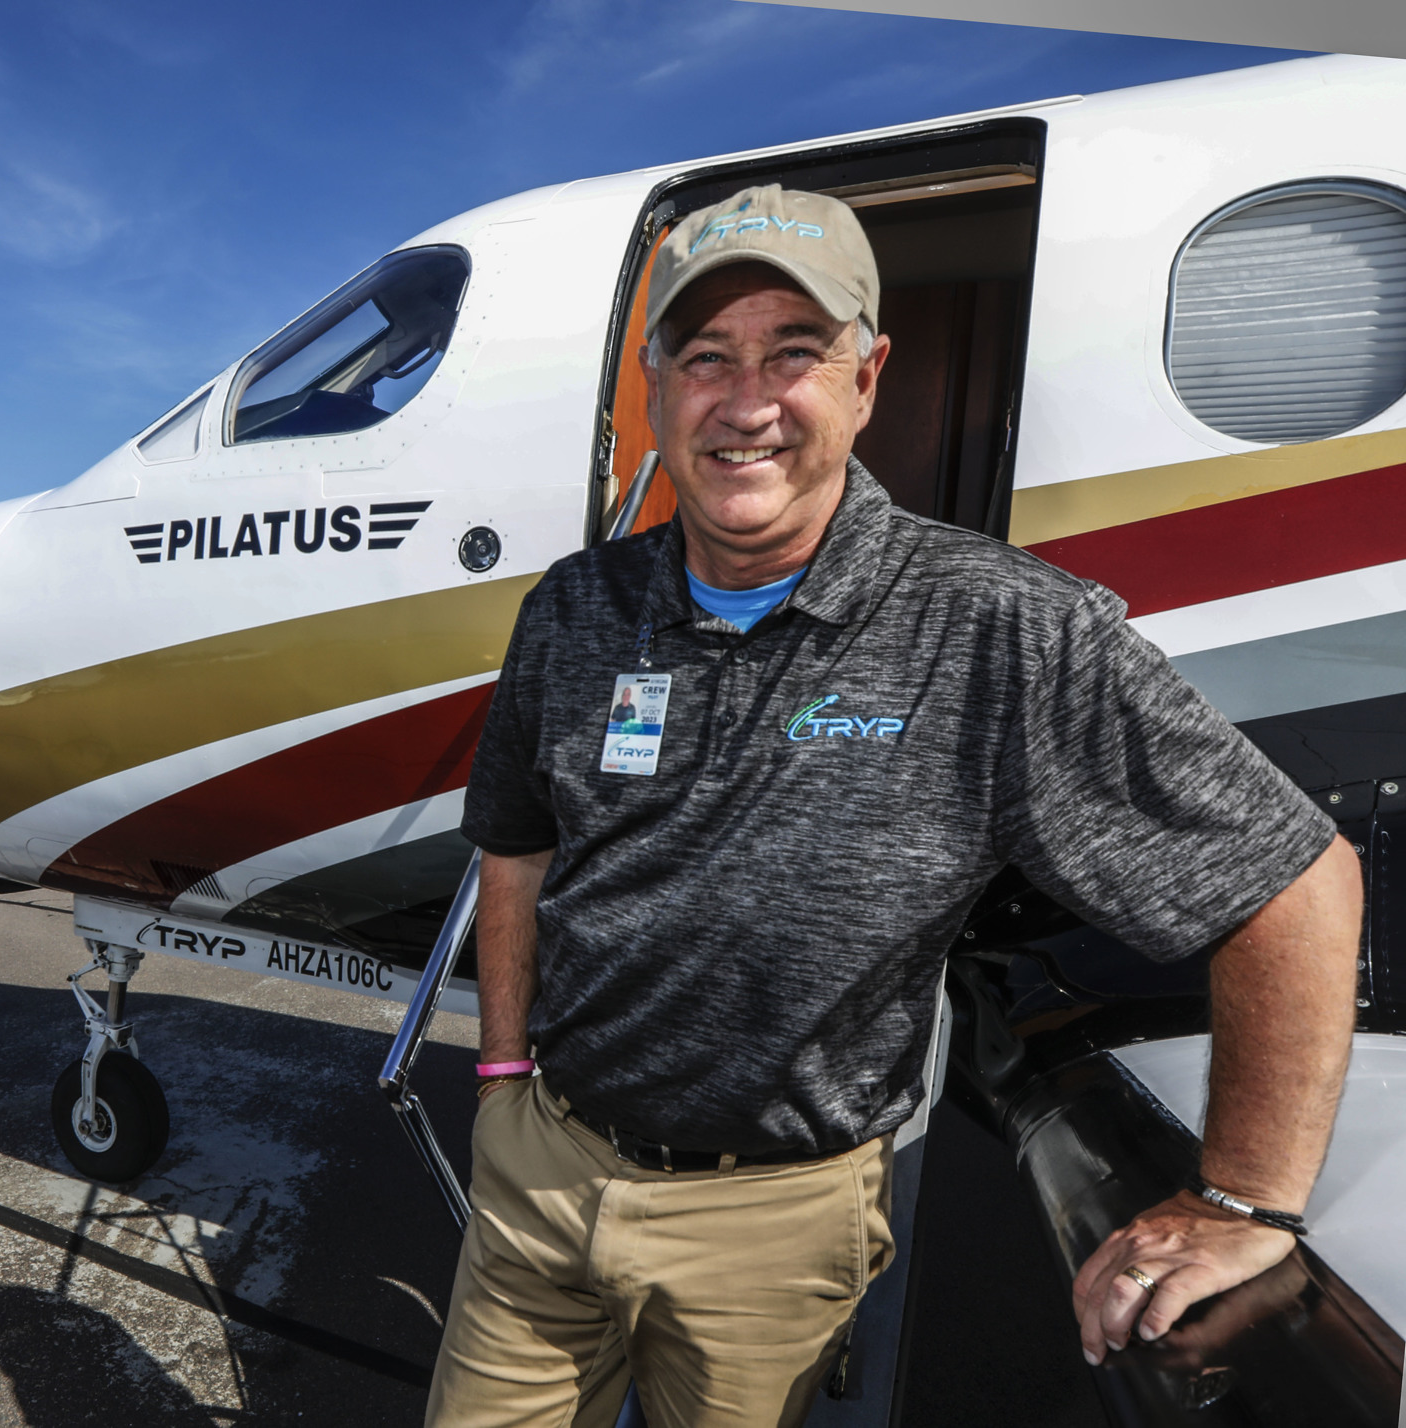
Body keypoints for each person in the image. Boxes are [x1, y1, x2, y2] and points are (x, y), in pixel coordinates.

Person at [426, 184, 1362, 1427]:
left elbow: (1293, 878)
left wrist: (1240, 1201)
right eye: (704, 356)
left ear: (865, 381)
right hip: (542, 1171)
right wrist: (499, 1078)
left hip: (770, 1222)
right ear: (654, 389)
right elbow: (518, 844)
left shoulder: (996, 626)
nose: (744, 399)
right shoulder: (572, 607)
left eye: (791, 352)